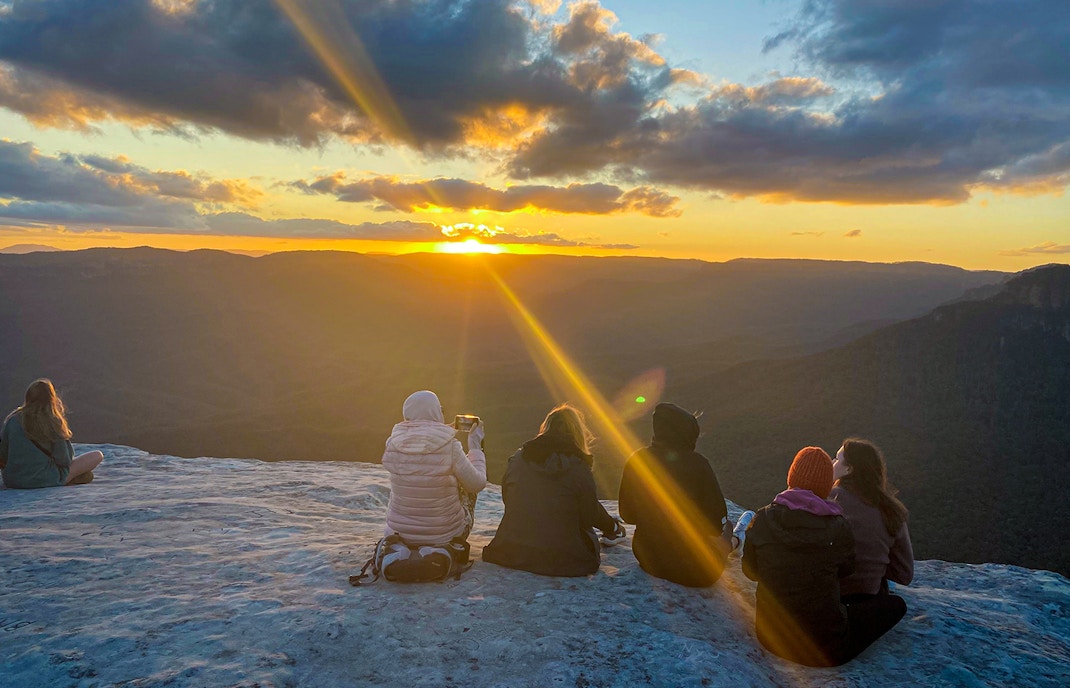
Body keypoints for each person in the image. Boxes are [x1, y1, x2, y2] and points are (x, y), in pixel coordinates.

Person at [742, 446, 906, 667]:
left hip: (770, 637)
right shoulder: (838, 527)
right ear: (826, 486)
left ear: (791, 478)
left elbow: (750, 572)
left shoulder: (763, 518)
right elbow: (846, 571)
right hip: (827, 650)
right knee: (895, 605)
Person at [482, 404, 625, 577]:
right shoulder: (578, 466)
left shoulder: (518, 458)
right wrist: (612, 527)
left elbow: (509, 498)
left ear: (546, 428)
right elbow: (589, 514)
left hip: (511, 551)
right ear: (579, 434)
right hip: (565, 560)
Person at [618, 402, 746, 587]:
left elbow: (627, 515)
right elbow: (715, 526)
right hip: (696, 571)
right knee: (727, 527)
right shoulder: (699, 465)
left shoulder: (637, 460)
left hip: (647, 558)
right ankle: (734, 542)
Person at [381, 390, 487, 550]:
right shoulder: (451, 446)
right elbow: (476, 484)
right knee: (465, 483)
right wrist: (476, 447)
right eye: (440, 410)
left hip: (398, 535)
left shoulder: (392, 442)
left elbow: (421, 444)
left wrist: (440, 430)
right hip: (444, 537)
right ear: (435, 412)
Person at [829, 439, 914, 600]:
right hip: (868, 604)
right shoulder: (892, 510)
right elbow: (904, 574)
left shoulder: (826, 500)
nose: (832, 462)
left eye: (837, 459)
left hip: (829, 600)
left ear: (849, 469)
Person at [0, 379, 103, 489]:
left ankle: (75, 478)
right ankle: (71, 478)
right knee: (97, 455)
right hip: (45, 479)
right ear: (51, 398)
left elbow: (3, 456)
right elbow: (64, 460)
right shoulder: (53, 421)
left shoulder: (12, 420)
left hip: (13, 480)